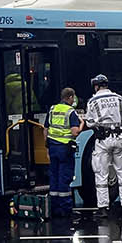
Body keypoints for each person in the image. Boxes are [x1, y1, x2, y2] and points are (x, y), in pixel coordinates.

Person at [81, 74, 122, 217]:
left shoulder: (93, 101)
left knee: (101, 174)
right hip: (120, 138)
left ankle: (103, 208)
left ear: (96, 86)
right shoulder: (120, 99)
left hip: (103, 141)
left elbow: (90, 122)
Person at [44, 87, 82, 219]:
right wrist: (82, 124)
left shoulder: (53, 109)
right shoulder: (70, 112)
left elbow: (46, 129)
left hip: (53, 148)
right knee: (64, 178)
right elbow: (75, 132)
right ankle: (66, 209)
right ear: (70, 97)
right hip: (65, 149)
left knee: (54, 178)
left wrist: (47, 147)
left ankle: (55, 208)